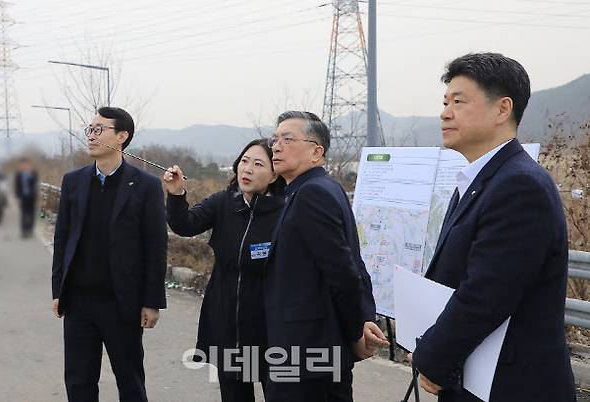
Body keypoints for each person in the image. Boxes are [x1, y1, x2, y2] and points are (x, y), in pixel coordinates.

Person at [411, 53, 576, 401]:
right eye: (444, 102)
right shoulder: (482, 178)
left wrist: (433, 356)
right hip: (478, 376)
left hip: (513, 385)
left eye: (459, 101)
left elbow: (485, 294)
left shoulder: (519, 186)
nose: (444, 112)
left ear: (502, 109)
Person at [264, 111, 388, 402]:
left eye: (288, 139)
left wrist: (356, 332)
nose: (277, 146)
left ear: (316, 152)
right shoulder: (318, 188)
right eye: (275, 139)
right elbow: (352, 263)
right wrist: (363, 318)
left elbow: (342, 271)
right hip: (314, 347)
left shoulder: (311, 194)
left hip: (307, 351)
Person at [50, 106, 168, 402]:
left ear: (122, 137)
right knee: (78, 382)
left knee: (130, 381)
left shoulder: (146, 186)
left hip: (122, 302)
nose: (90, 135)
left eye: (99, 129)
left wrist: (152, 301)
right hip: (78, 301)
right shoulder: (73, 182)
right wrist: (57, 290)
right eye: (89, 129)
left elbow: (155, 247)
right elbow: (62, 238)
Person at [163, 139, 286, 402]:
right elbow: (185, 224)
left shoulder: (286, 210)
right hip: (227, 318)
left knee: (279, 392)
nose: (248, 169)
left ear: (275, 173)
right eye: (244, 161)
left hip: (269, 325)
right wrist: (176, 194)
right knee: (234, 394)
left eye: (258, 164)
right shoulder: (223, 203)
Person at [14, 157, 38, 238]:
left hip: (31, 197)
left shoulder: (33, 173)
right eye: (23, 164)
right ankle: (24, 231)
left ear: (29, 164)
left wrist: (30, 174)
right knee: (24, 214)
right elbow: (17, 186)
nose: (24, 166)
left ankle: (30, 229)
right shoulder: (18, 175)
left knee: (31, 214)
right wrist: (17, 197)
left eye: (26, 164)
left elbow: (35, 183)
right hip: (23, 197)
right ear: (21, 165)